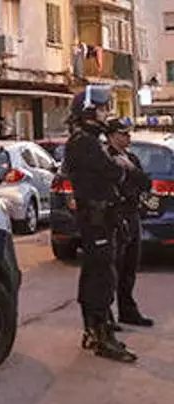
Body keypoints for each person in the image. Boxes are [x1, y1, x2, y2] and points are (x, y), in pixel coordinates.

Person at [63, 85, 137, 362]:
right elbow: (110, 171)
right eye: (103, 108)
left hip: (100, 218)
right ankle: (102, 336)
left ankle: (94, 331)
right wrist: (122, 167)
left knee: (95, 273)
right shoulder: (85, 142)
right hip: (95, 219)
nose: (107, 113)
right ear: (90, 111)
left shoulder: (89, 139)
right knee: (102, 277)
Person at [105, 117, 154, 328]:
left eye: (128, 133)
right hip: (116, 217)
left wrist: (131, 168)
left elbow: (146, 183)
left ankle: (128, 311)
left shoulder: (131, 158)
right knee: (113, 267)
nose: (128, 137)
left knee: (130, 267)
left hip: (132, 215)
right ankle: (106, 315)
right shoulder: (106, 158)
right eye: (123, 134)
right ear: (112, 136)